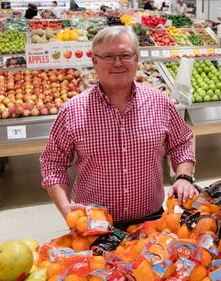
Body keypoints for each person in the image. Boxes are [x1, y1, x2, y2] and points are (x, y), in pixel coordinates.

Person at [40, 26, 197, 230]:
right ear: (94, 61)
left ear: (136, 59)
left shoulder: (160, 102)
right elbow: (53, 163)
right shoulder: (72, 110)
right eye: (108, 56)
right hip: (93, 224)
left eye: (125, 55)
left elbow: (181, 142)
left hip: (151, 220)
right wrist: (66, 209)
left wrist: (184, 177)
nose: (117, 63)